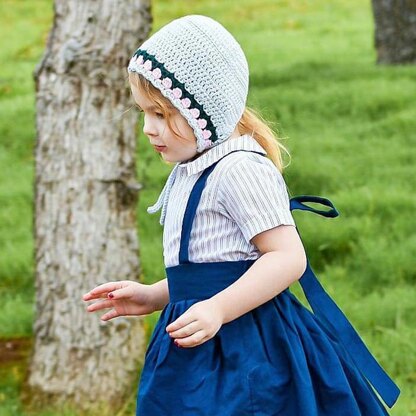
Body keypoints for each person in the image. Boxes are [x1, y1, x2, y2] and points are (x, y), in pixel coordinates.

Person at [82, 15, 399, 415]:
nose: (147, 128)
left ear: (206, 111)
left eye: (161, 114)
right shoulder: (191, 168)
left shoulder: (239, 169)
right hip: (196, 345)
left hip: (248, 347)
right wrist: (155, 295)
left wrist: (219, 309)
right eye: (144, 112)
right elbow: (213, 269)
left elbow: (287, 257)